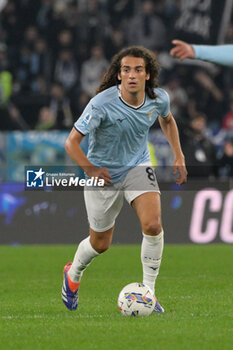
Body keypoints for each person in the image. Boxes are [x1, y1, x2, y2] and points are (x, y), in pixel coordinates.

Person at [62, 46, 187, 313]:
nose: (132, 75)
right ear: (119, 75)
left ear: (148, 74)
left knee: (153, 225)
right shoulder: (101, 104)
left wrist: (179, 155)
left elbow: (167, 120)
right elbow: (71, 143)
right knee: (100, 244)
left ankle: (149, 295)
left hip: (137, 167)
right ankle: (73, 274)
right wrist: (92, 170)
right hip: (103, 175)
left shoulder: (159, 98)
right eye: (126, 70)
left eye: (138, 70)